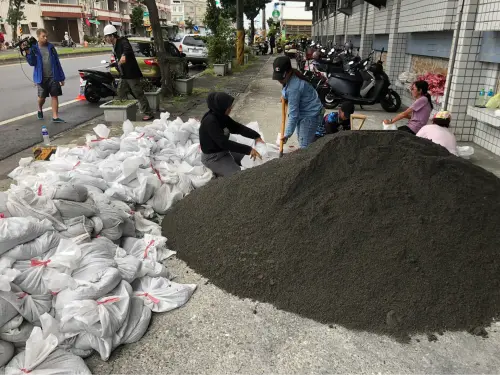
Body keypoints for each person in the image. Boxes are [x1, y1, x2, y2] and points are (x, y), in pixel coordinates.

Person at [200, 92, 264, 177]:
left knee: (250, 159)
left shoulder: (222, 116)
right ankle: (217, 174)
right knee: (236, 176)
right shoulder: (210, 122)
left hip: (223, 150)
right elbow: (224, 143)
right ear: (221, 108)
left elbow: (238, 128)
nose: (231, 108)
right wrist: (248, 149)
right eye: (228, 107)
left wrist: (256, 136)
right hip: (213, 157)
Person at [103, 24, 154, 121]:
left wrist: (124, 55)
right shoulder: (114, 45)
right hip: (124, 74)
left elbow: (127, 49)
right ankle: (128, 110)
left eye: (107, 36)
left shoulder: (123, 41)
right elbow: (119, 60)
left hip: (131, 74)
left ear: (112, 36)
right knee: (120, 92)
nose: (106, 39)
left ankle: (148, 113)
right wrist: (114, 64)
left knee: (138, 93)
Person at [273, 56, 324, 148]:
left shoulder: (294, 87)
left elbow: (293, 114)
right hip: (305, 112)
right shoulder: (291, 78)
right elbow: (287, 89)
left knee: (304, 146)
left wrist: (287, 134)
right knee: (302, 140)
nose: (280, 80)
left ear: (288, 72)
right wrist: (284, 96)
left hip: (310, 115)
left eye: (281, 77)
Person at [25, 28, 66, 122]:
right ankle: (39, 108)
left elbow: (57, 62)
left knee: (54, 96)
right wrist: (28, 53)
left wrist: (61, 77)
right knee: (42, 97)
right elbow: (32, 63)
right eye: (43, 36)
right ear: (38, 37)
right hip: (41, 77)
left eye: (46, 36)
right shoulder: (34, 48)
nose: (46, 38)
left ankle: (55, 117)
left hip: (53, 76)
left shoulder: (51, 47)